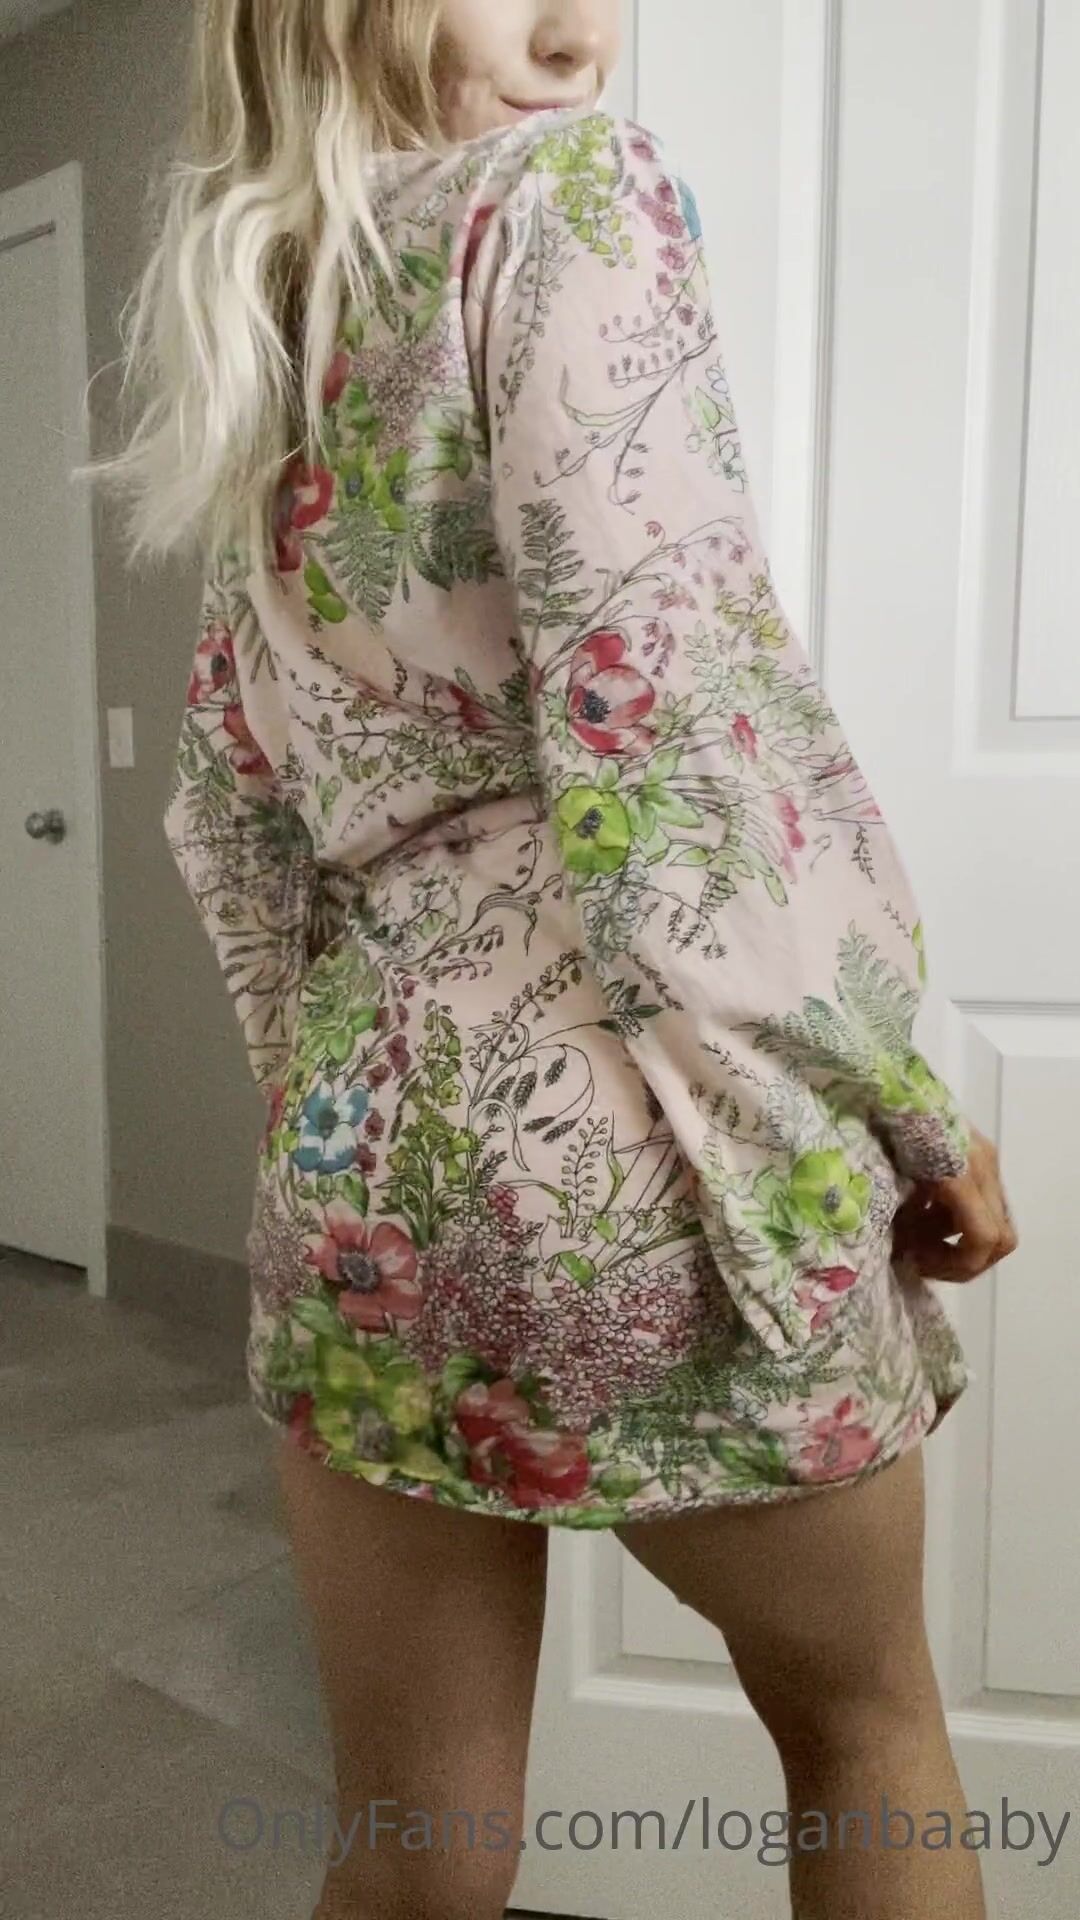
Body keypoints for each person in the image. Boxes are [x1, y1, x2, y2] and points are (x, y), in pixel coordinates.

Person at [87, 3, 1018, 1916]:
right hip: (646, 1122)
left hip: (361, 1132)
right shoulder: (573, 192)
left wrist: (336, 1098)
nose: (583, 29)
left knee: (413, 1845)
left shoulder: (279, 301)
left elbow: (230, 810)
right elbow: (674, 717)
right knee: (866, 1729)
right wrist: (900, 1103)